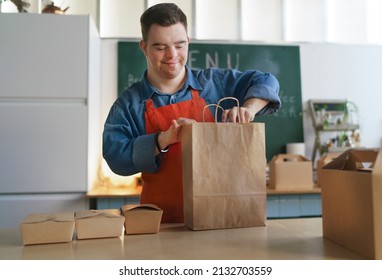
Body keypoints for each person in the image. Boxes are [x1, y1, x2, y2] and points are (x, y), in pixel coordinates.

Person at [103, 3, 281, 223]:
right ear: (144, 47)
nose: (172, 55)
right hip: (162, 224)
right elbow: (114, 155)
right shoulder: (129, 104)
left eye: (179, 45)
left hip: (220, 218)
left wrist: (248, 109)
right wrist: (161, 141)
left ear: (188, 41)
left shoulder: (215, 83)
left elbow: (266, 80)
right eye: (160, 47)